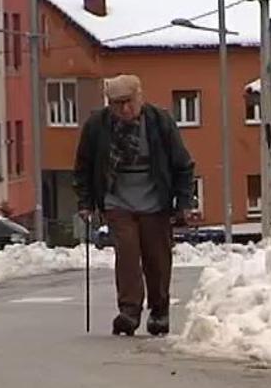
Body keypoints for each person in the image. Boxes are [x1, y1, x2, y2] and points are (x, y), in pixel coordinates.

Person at [73, 74, 195, 336]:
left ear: (140, 97)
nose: (124, 109)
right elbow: (83, 166)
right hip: (117, 200)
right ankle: (129, 311)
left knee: (157, 257)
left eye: (128, 101)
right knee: (127, 254)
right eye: (117, 104)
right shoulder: (98, 126)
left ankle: (159, 311)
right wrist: (86, 202)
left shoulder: (160, 122)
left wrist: (183, 201)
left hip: (155, 199)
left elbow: (182, 165)